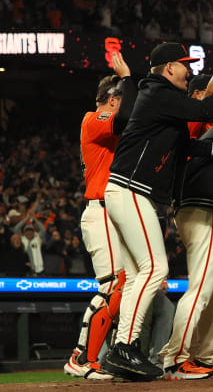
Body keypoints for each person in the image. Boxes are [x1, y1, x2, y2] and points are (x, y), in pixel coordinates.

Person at [101, 38, 213, 381]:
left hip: (127, 191)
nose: (189, 71)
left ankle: (124, 349)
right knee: (155, 269)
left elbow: (188, 147)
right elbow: (204, 110)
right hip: (129, 188)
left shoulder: (160, 100)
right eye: (184, 65)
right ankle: (125, 345)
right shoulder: (157, 92)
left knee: (142, 274)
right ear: (169, 68)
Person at [159, 32, 213, 381]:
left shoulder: (210, 119)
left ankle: (205, 355)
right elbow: (211, 93)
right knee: (203, 284)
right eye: (202, 94)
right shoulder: (190, 118)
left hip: (208, 208)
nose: (209, 98)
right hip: (198, 205)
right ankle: (176, 356)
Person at [64, 52, 136, 381]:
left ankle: (92, 355)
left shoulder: (113, 128)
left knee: (125, 287)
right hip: (101, 210)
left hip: (114, 212)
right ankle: (82, 357)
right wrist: (129, 78)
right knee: (112, 286)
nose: (125, 104)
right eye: (122, 99)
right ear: (110, 99)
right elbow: (124, 121)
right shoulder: (93, 118)